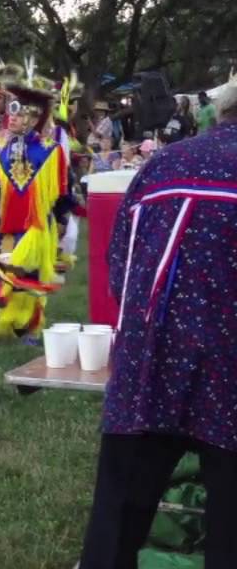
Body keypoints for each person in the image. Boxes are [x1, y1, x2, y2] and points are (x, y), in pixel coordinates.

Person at [79, 82, 237, 568]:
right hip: (229, 367)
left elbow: (119, 267)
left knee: (118, 517)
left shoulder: (162, 164)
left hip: (149, 361)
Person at [0, 61, 75, 341]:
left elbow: (63, 192)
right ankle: (7, 320)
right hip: (2, 223)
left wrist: (61, 219)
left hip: (36, 225)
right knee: (5, 271)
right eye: (11, 111)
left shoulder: (51, 151)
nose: (12, 117)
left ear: (34, 119)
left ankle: (28, 326)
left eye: (19, 113)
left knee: (30, 274)